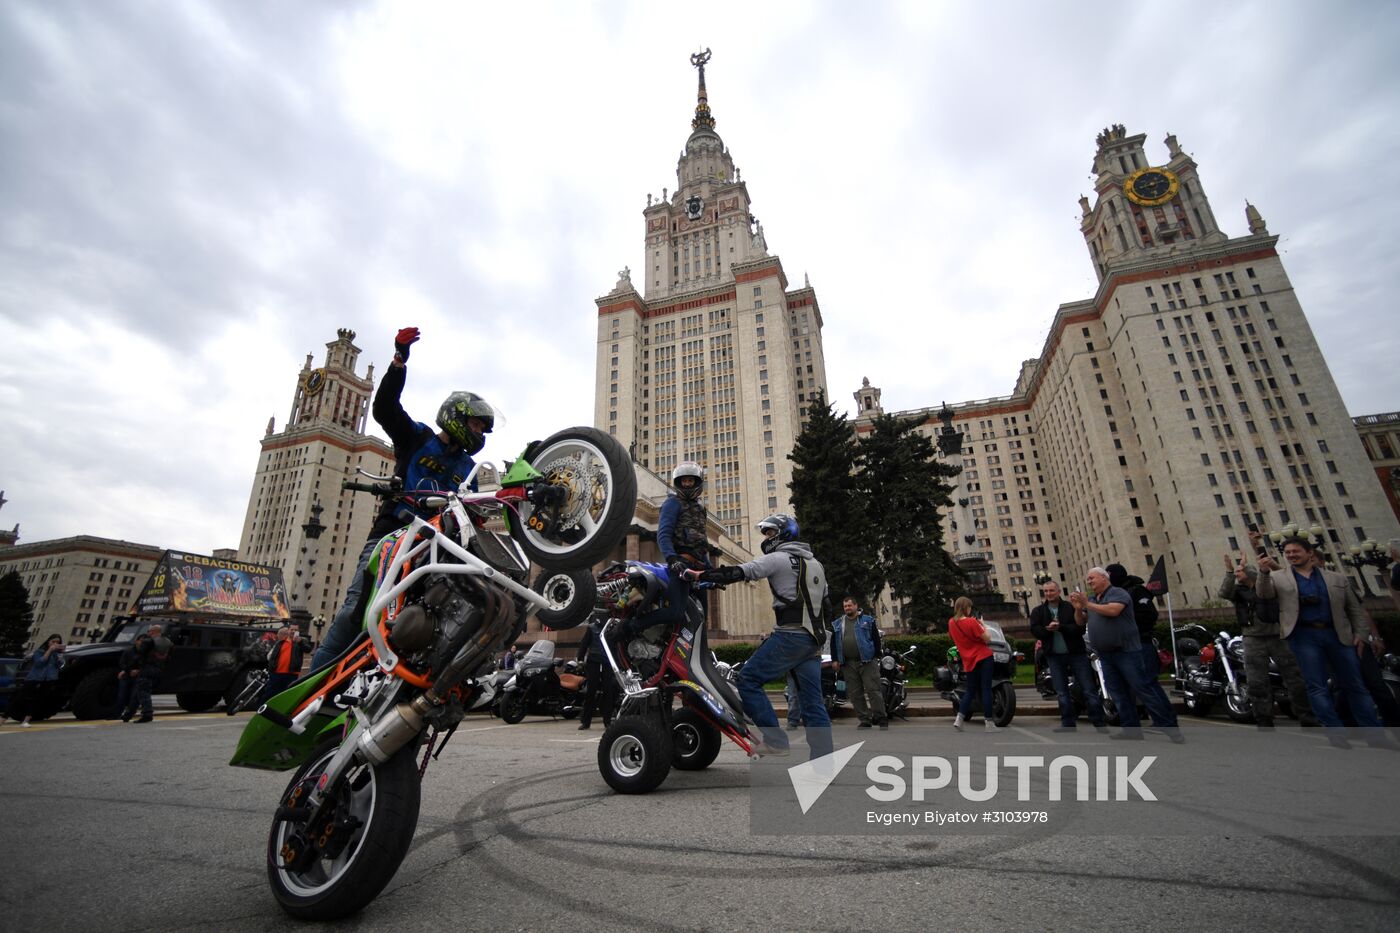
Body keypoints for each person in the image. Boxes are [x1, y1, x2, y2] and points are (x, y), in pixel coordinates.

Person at [312, 326, 497, 668]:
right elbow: (384, 409)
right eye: (475, 425)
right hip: (390, 535)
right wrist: (400, 359)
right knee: (357, 610)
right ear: (456, 416)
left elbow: (476, 511)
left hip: (431, 551)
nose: (479, 433)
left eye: (483, 430)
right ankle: (305, 688)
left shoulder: (469, 468)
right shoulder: (419, 438)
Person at [686, 513, 832, 759]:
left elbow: (743, 572)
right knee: (813, 702)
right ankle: (824, 763)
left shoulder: (779, 558)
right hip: (813, 641)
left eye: (770, 533)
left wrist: (702, 576)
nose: (767, 538)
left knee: (748, 680)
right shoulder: (816, 564)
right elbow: (827, 606)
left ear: (784, 533)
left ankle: (775, 741)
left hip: (790, 635)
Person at [1255, 537, 1381, 733]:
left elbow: (1354, 609)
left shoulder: (1336, 578)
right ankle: (1334, 731)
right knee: (1316, 686)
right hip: (1304, 636)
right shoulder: (1279, 577)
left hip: (1337, 634)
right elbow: (1264, 594)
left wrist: (1362, 635)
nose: (1291, 555)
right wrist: (1263, 572)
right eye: (1287, 552)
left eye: (1296, 551)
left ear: (1309, 553)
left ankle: (1374, 733)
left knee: (1355, 685)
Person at [1069, 568, 1183, 742]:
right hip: (1105, 654)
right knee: (1118, 692)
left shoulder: (1118, 593)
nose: (1089, 582)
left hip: (1126, 651)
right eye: (1088, 579)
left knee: (1143, 688)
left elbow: (1113, 611)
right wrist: (1078, 609)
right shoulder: (1093, 599)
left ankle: (1169, 726)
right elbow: (1080, 621)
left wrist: (1087, 604)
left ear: (1104, 578)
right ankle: (1131, 729)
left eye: (1092, 578)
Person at [1218, 550, 1315, 728]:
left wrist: (1250, 564)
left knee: (1293, 677)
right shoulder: (1238, 592)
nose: (1238, 574)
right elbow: (1224, 592)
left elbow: (1274, 579)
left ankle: (1306, 715)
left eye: (1241, 571)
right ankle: (1263, 717)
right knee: (1256, 681)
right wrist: (1230, 571)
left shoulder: (1267, 586)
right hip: (1252, 638)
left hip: (1278, 635)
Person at [1028, 581, 1106, 732]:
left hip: (1076, 653)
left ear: (1058, 592)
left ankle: (1099, 721)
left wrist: (1061, 627)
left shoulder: (1070, 608)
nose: (1049, 594)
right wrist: (1048, 630)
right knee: (1061, 691)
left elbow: (1080, 629)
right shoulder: (1039, 611)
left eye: (1052, 590)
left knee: (1088, 687)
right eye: (1046, 591)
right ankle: (1068, 723)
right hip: (1054, 655)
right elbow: (1035, 630)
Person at [1106, 563, 1175, 728]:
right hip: (1122, 646)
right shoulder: (1113, 594)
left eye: (1108, 575)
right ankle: (1133, 724)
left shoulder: (1137, 591)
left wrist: (1123, 620)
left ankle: (1166, 721)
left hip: (1141, 644)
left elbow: (1149, 615)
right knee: (1131, 686)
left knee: (1148, 683)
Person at [658, 461, 713, 615]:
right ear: (679, 482)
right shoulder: (672, 503)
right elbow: (663, 534)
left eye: (691, 480)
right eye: (684, 481)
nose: (688, 484)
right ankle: (632, 626)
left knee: (701, 618)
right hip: (681, 564)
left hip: (699, 568)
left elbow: (702, 540)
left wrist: (709, 567)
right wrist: (672, 559)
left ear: (697, 482)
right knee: (675, 612)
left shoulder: (701, 508)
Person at [830, 596, 887, 729]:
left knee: (873, 690)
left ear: (856, 606)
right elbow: (834, 643)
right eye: (845, 606)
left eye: (849, 605)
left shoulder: (867, 620)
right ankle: (864, 719)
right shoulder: (838, 623)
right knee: (855, 693)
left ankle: (881, 717)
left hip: (867, 661)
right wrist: (835, 660)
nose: (847, 608)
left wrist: (876, 655)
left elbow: (875, 639)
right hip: (848, 663)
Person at [947, 598, 997, 732]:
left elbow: (953, 638)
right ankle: (989, 723)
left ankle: (959, 719)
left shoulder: (951, 623)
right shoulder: (972, 621)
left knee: (970, 691)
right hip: (984, 656)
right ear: (966, 607)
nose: (970, 610)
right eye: (969, 607)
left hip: (968, 660)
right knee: (986, 689)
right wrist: (983, 624)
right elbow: (987, 638)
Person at [1, 634, 65, 727]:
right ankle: (3, 719)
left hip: (49, 679)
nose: (55, 644)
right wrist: (49, 650)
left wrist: (60, 655)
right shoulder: (40, 651)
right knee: (20, 698)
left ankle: (26, 721)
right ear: (48, 641)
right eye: (53, 641)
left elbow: (60, 666)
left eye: (58, 642)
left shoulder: (56, 654)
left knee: (36, 700)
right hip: (34, 678)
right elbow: (39, 663)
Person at [124, 624, 172, 724]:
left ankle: (147, 714)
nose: (148, 633)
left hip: (147, 669)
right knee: (139, 691)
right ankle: (128, 714)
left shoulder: (148, 641)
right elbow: (169, 658)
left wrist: (128, 669)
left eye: (149, 631)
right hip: (159, 670)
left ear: (153, 631)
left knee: (143, 692)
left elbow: (139, 656)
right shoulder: (168, 642)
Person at [576, 623, 614, 731]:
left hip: (607, 662)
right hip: (593, 660)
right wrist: (580, 658)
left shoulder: (611, 628)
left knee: (608, 690)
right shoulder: (592, 628)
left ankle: (607, 721)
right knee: (591, 690)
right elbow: (584, 643)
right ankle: (586, 721)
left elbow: (615, 646)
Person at [113, 632, 150, 721]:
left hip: (139, 676)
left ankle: (128, 714)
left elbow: (148, 665)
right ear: (136, 641)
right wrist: (128, 671)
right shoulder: (128, 651)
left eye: (145, 641)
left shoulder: (147, 653)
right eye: (141, 641)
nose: (142, 643)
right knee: (121, 695)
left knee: (134, 696)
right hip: (127, 675)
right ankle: (116, 714)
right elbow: (122, 663)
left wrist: (138, 671)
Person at [262, 626, 304, 703]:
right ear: (288, 631)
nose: (293, 631)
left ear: (298, 631)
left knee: (286, 694)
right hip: (276, 673)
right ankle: (263, 708)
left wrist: (300, 642)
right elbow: (272, 656)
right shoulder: (280, 642)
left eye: (296, 630)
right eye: (292, 629)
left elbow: (308, 649)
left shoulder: (301, 642)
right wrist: (271, 667)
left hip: (291, 674)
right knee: (270, 692)